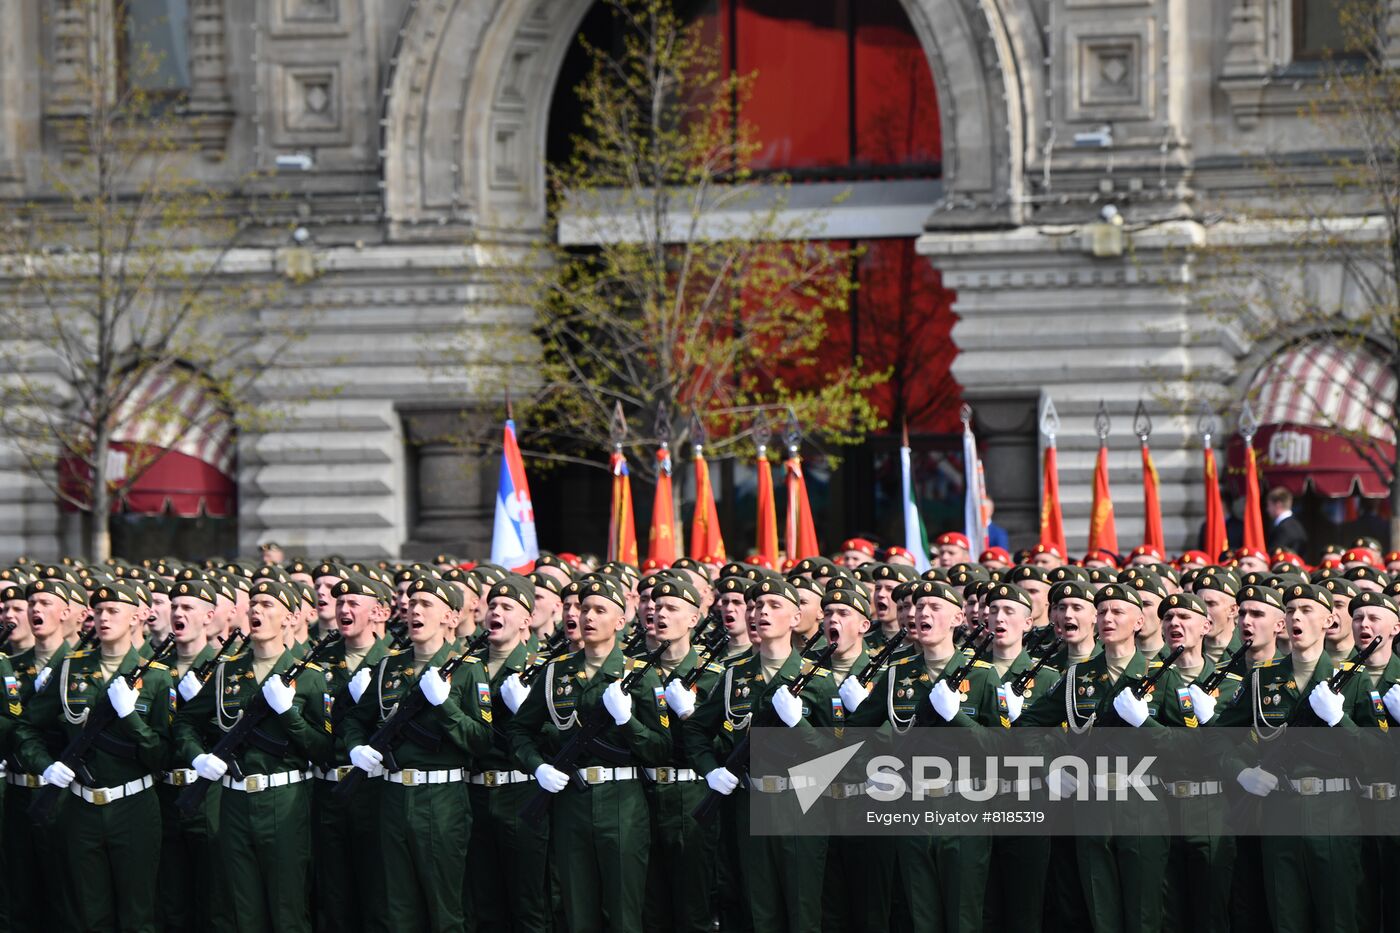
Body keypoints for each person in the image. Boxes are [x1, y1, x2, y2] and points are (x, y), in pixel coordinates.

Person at [509, 574, 672, 933]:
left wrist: (627, 720)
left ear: (620, 621)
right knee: (577, 912)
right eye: (584, 609)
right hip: (571, 801)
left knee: (624, 913)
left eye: (600, 610)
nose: (588, 617)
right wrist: (538, 767)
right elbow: (519, 732)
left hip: (623, 804)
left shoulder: (639, 675)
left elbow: (661, 748)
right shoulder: (554, 674)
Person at [173, 578, 333, 933]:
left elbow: (323, 749)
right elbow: (184, 722)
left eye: (268, 604)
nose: (257, 610)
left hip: (285, 800)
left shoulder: (308, 677)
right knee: (241, 911)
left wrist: (289, 714)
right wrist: (199, 758)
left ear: (291, 618)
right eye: (254, 604)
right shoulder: (227, 671)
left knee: (287, 910)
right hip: (233, 801)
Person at [15, 579, 174, 932]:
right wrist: (47, 766)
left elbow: (161, 756)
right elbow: (26, 728)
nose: (104, 617)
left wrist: (131, 718)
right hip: (80, 808)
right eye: (99, 611)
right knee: (86, 916)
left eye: (114, 611)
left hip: (133, 806)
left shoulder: (158, 678)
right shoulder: (71, 669)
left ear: (136, 619)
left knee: (137, 916)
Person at [342, 575, 492, 932]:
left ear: (451, 618)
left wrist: (445, 706)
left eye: (426, 604)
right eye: (411, 604)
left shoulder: (469, 669)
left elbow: (481, 740)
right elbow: (354, 721)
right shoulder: (388, 669)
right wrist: (356, 748)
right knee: (397, 909)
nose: (414, 610)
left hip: (442, 799)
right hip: (392, 795)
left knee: (445, 908)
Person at [1265, 487, 1309, 557]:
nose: (1267, 509)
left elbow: (1274, 555)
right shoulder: (1294, 525)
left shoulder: (1284, 529)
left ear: (1278, 505)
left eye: (1269, 505)